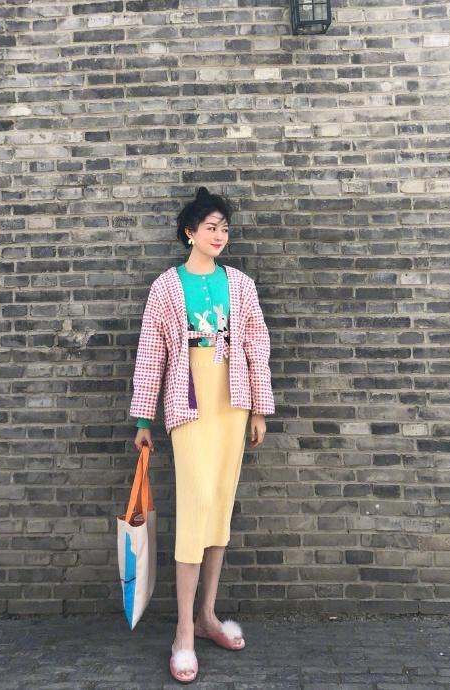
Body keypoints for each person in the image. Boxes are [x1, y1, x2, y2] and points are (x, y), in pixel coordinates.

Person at [129, 186, 275, 683]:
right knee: (195, 509)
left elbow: (256, 346)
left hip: (232, 405)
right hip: (187, 406)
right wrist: (143, 420)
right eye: (211, 227)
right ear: (189, 232)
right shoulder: (165, 288)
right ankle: (183, 632)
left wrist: (259, 410)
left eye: (224, 229)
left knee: (218, 510)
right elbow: (151, 354)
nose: (219, 235)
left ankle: (208, 615)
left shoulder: (242, 285)